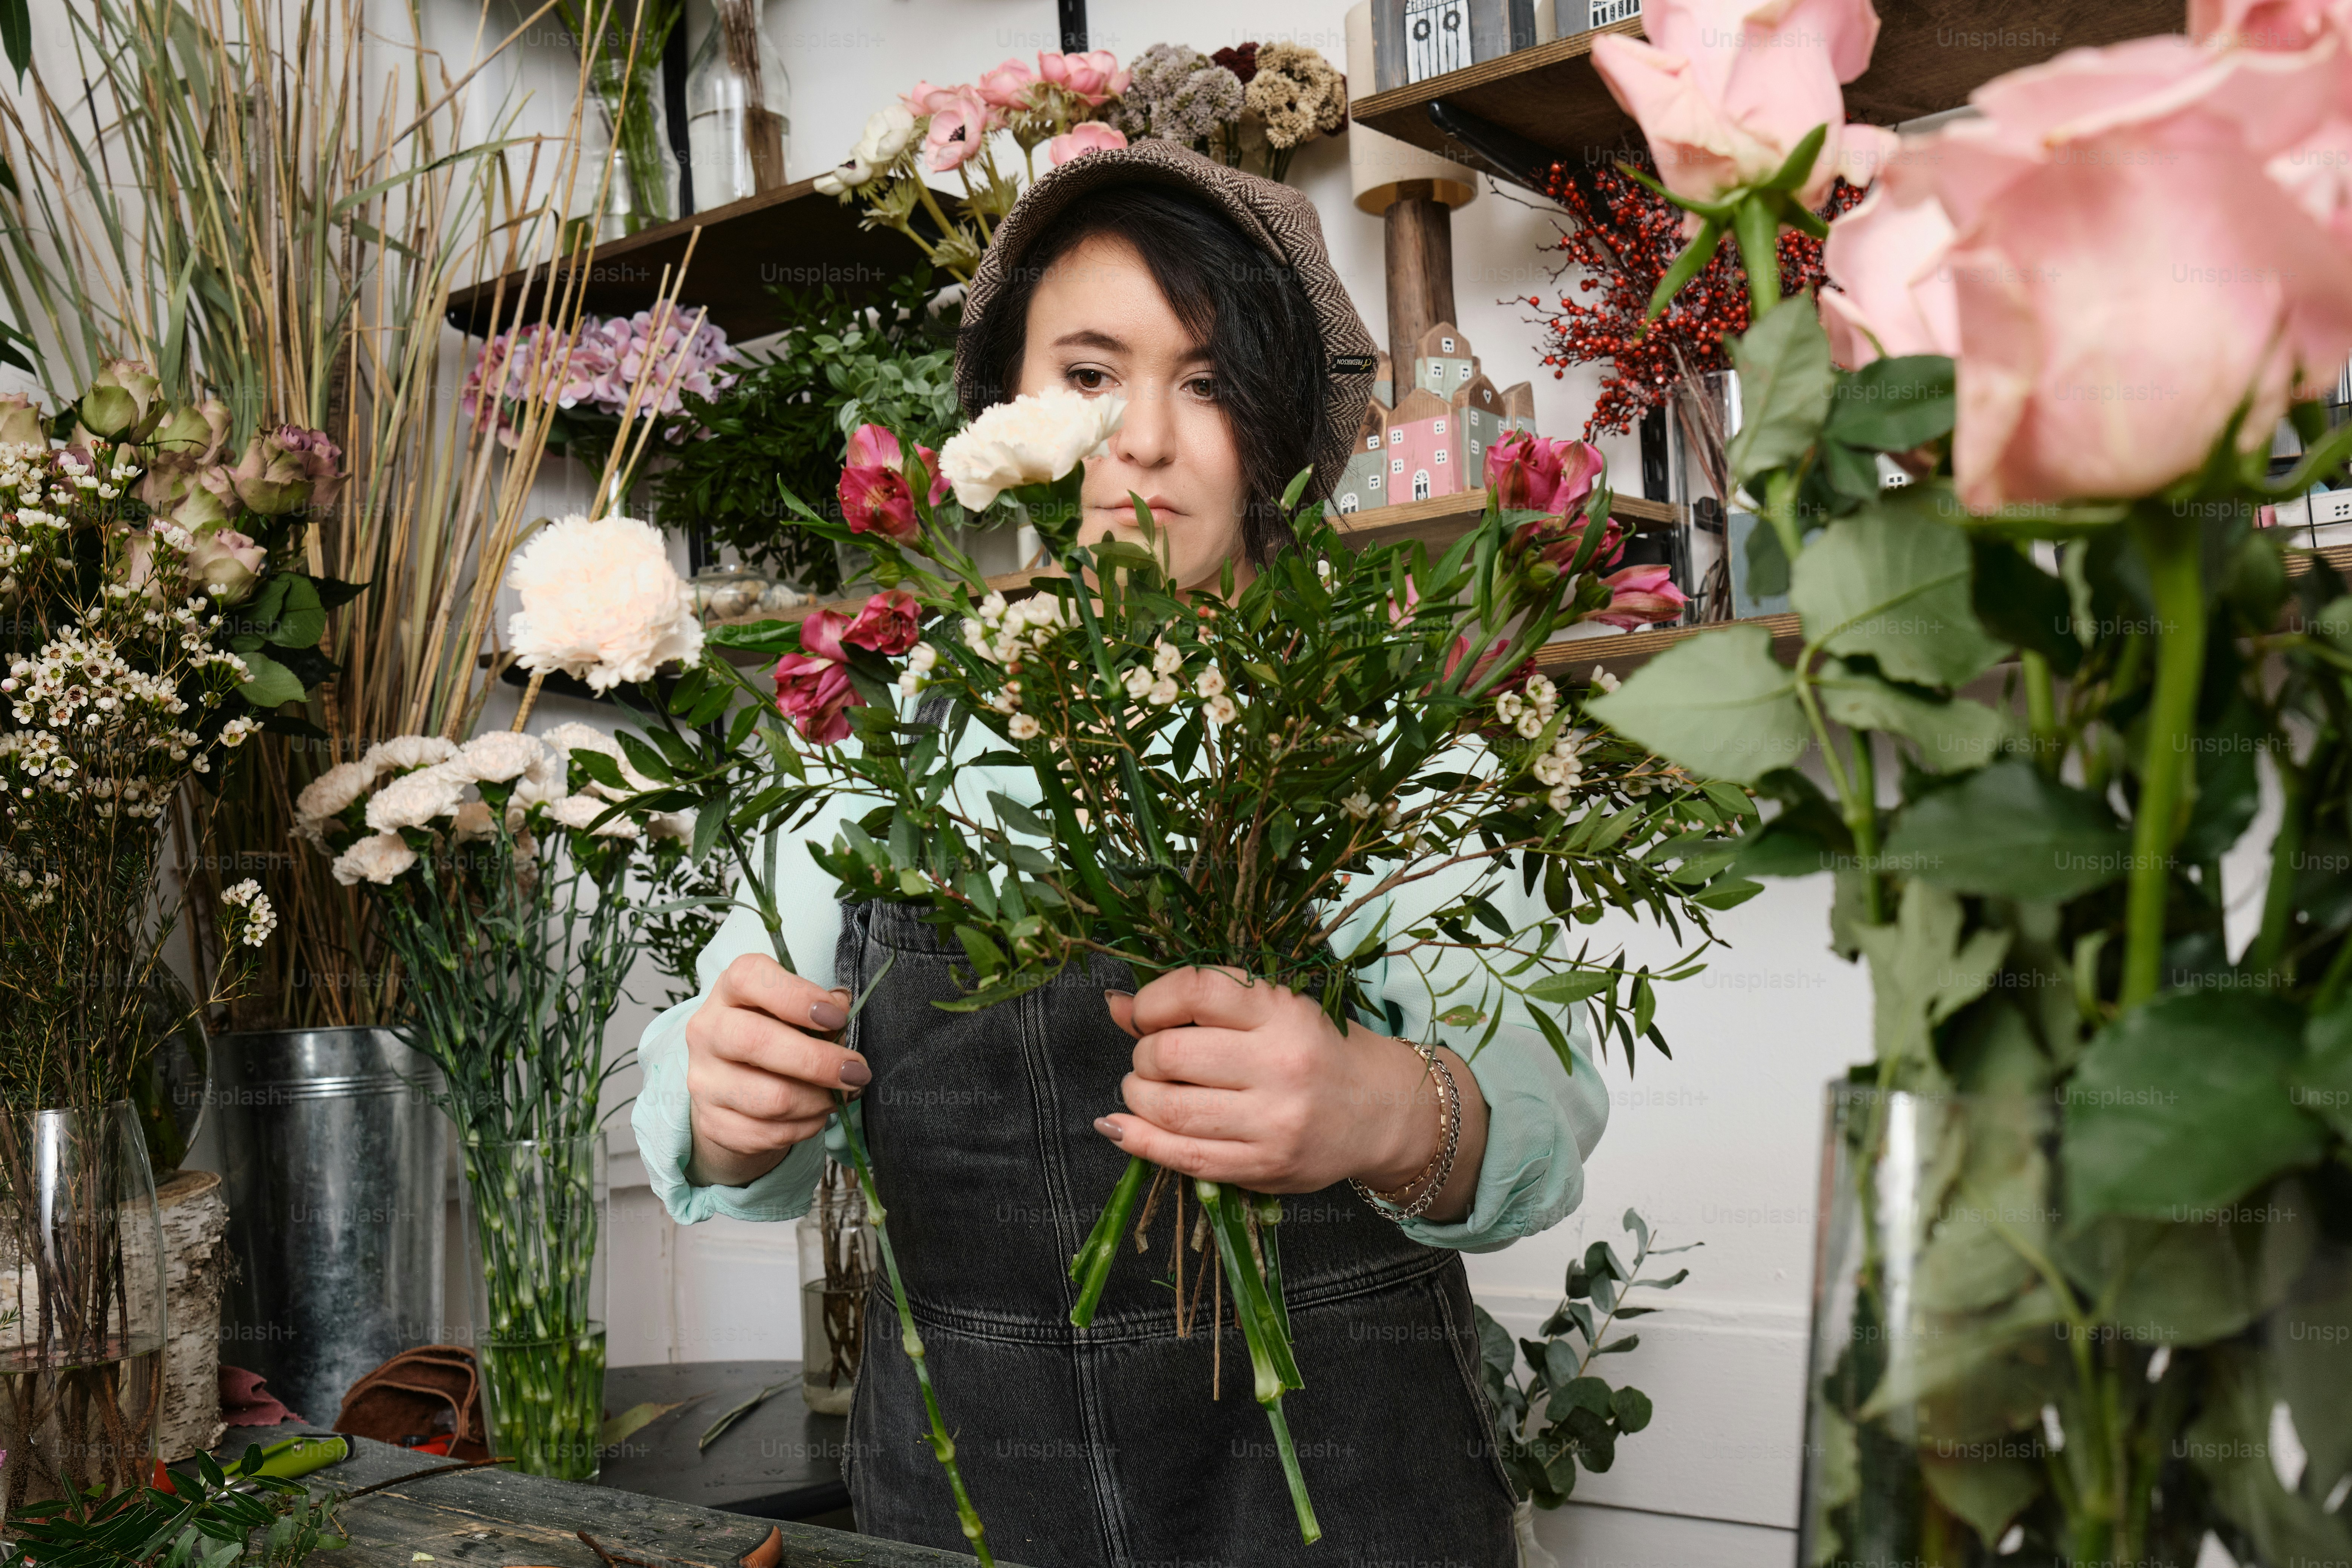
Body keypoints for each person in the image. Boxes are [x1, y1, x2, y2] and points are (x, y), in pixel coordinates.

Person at [632, 142, 1606, 1567]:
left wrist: (1377, 1109)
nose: (1143, 439)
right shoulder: (889, 727)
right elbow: (734, 1114)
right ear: (1002, 410)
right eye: (1089, 376)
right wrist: (728, 1095)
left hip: (1351, 1481)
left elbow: (1539, 1100)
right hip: (973, 1492)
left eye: (1209, 385)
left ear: (1279, 433)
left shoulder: (1383, 721)